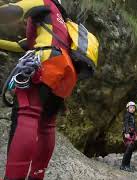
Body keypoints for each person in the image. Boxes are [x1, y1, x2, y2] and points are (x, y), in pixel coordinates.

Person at [0, 0, 77, 179]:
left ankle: (14, 176)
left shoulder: (44, 2)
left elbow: (15, 10)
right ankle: (37, 175)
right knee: (47, 124)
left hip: (45, 63)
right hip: (66, 71)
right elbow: (23, 45)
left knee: (27, 114)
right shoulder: (60, 23)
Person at [120, 101, 137, 172]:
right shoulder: (127, 115)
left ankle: (127, 165)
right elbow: (126, 124)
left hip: (132, 134)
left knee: (130, 150)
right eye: (131, 107)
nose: (132, 109)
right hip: (127, 134)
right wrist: (126, 132)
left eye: (133, 108)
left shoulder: (132, 115)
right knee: (129, 149)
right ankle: (123, 165)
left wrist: (135, 134)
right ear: (127, 109)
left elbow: (134, 126)